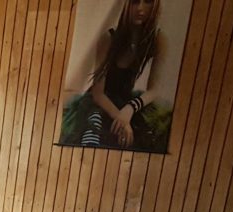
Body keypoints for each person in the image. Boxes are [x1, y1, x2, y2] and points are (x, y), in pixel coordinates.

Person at [62, 0, 171, 152]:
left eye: (147, 1)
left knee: (150, 136)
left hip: (127, 103)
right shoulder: (109, 39)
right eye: (134, 2)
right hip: (101, 103)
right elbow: (98, 94)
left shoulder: (158, 39)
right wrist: (121, 119)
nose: (140, 8)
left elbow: (155, 89)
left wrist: (129, 109)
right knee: (91, 135)